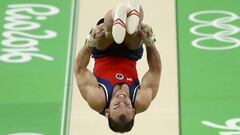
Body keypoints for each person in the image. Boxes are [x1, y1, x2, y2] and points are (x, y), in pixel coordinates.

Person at [74, 0, 161, 133]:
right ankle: (132, 13)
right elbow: (155, 71)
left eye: (116, 104)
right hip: (130, 54)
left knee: (108, 31)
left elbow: (79, 69)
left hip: (103, 52)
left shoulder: (97, 99)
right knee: (135, 32)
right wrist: (149, 42)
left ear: (107, 111)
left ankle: (117, 14)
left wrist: (90, 42)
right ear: (133, 110)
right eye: (126, 104)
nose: (122, 99)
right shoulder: (141, 101)